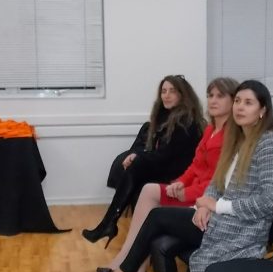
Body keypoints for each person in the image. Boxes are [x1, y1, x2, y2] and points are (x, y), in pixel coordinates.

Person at [85, 80, 273, 272]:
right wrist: (207, 203)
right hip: (220, 222)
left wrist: (216, 206)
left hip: (242, 233)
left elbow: (269, 201)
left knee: (157, 216)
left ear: (263, 110)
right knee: (161, 243)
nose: (239, 107)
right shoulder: (241, 139)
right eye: (238, 101)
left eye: (248, 102)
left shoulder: (270, 143)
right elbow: (218, 181)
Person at [78, 77, 237, 272]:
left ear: (233, 101)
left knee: (149, 199)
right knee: (148, 190)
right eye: (210, 95)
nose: (213, 100)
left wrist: (185, 191)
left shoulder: (230, 135)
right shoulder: (211, 129)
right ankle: (128, 267)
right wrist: (179, 182)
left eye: (220, 96)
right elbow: (195, 166)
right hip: (190, 190)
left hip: (202, 202)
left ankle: (126, 270)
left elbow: (216, 181)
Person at [82, 75, 204, 245]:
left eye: (172, 91)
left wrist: (138, 157)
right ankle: (115, 229)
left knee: (136, 167)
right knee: (136, 173)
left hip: (181, 175)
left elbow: (165, 156)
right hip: (169, 167)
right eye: (163, 91)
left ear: (183, 95)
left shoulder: (186, 122)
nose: (166, 95)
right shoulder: (166, 118)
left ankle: (109, 224)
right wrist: (138, 156)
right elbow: (159, 153)